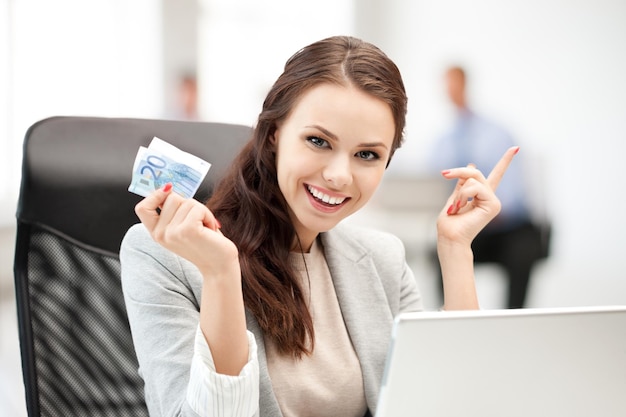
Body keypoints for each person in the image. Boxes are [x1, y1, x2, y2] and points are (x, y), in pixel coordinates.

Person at [120, 36, 519, 417]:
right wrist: (222, 275)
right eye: (318, 141)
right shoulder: (161, 254)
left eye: (367, 154)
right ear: (274, 134)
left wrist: (455, 250)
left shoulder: (382, 260)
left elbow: (448, 402)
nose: (340, 176)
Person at [429, 65, 546, 309]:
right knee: (439, 250)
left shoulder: (496, 133)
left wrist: (486, 209)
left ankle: (514, 322)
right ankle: (451, 319)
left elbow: (514, 198)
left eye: (453, 84)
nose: (449, 91)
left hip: (507, 227)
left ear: (464, 84)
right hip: (474, 226)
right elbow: (432, 185)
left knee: (522, 250)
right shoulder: (443, 141)